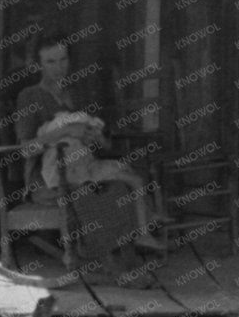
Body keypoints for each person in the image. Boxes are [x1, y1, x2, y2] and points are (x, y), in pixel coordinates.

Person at [12, 32, 167, 253]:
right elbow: (26, 150)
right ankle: (108, 256)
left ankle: (123, 249)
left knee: (123, 182)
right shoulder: (30, 96)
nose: (59, 67)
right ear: (39, 65)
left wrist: (97, 138)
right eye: (51, 61)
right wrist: (65, 130)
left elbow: (103, 148)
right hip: (48, 181)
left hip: (84, 166)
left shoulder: (76, 95)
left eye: (63, 60)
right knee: (106, 193)